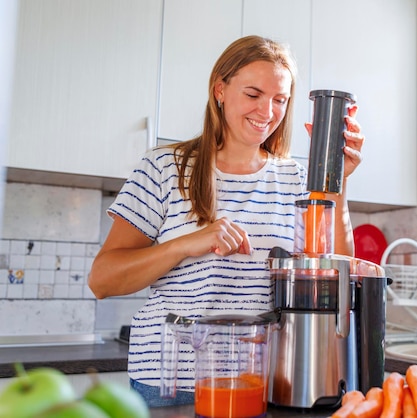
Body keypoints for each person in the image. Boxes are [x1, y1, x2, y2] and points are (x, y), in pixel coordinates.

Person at [88, 35, 365, 407]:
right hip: (171, 384)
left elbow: (340, 274)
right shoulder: (164, 168)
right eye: (253, 95)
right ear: (220, 89)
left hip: (261, 379)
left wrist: (339, 183)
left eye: (280, 100)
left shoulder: (296, 180)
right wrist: (189, 242)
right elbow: (102, 279)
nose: (267, 111)